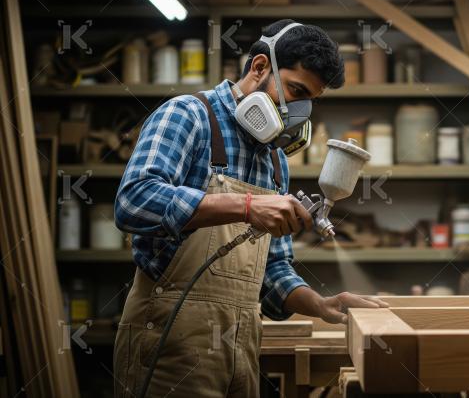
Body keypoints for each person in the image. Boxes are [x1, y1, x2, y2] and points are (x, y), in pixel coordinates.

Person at [112, 19, 388, 397]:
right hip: (169, 341)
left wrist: (320, 304)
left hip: (240, 348)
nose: (299, 111)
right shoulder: (188, 116)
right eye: (295, 90)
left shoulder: (276, 160)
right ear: (259, 68)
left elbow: (272, 269)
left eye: (310, 101)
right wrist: (244, 206)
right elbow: (133, 201)